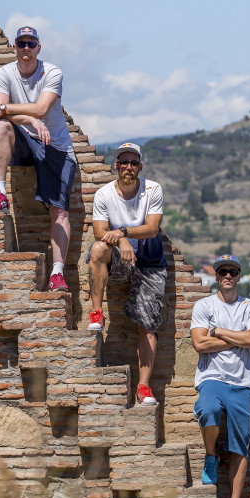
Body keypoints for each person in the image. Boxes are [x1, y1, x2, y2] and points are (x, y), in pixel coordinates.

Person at [0, 26, 76, 292]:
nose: (26, 49)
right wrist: (31, 119)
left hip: (55, 145)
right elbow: (1, 118)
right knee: (1, 128)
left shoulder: (52, 72)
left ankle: (57, 274)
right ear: (14, 47)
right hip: (24, 138)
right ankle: (0, 195)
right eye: (21, 43)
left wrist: (5, 107)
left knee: (60, 212)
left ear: (38, 48)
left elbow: (41, 107)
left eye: (31, 44)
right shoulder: (5, 73)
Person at [86, 142, 166, 406]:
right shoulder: (104, 194)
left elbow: (152, 229)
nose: (128, 167)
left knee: (148, 325)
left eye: (133, 163)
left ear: (140, 167)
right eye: (124, 162)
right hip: (121, 258)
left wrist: (121, 233)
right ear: (116, 167)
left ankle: (143, 387)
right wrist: (121, 242)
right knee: (98, 249)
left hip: (150, 262)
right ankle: (96, 312)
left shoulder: (152, 189)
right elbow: (99, 232)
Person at [189, 254, 250, 498]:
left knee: (239, 446)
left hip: (243, 383)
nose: (228, 276)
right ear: (216, 276)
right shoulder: (203, 305)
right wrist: (237, 340)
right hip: (213, 377)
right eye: (222, 272)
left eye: (232, 271)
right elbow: (200, 345)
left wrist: (218, 332)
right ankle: (210, 456)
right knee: (207, 410)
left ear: (239, 275)